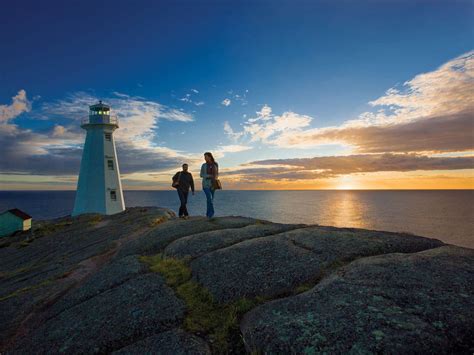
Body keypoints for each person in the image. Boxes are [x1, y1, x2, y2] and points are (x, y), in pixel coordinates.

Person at [200, 152, 218, 219]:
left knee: (210, 200)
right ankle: (211, 214)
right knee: (209, 199)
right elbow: (201, 175)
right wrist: (209, 175)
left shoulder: (215, 164)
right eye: (204, 157)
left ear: (210, 157)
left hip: (213, 184)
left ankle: (208, 214)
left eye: (206, 157)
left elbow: (217, 174)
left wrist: (214, 178)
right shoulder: (203, 165)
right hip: (205, 184)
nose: (205, 158)